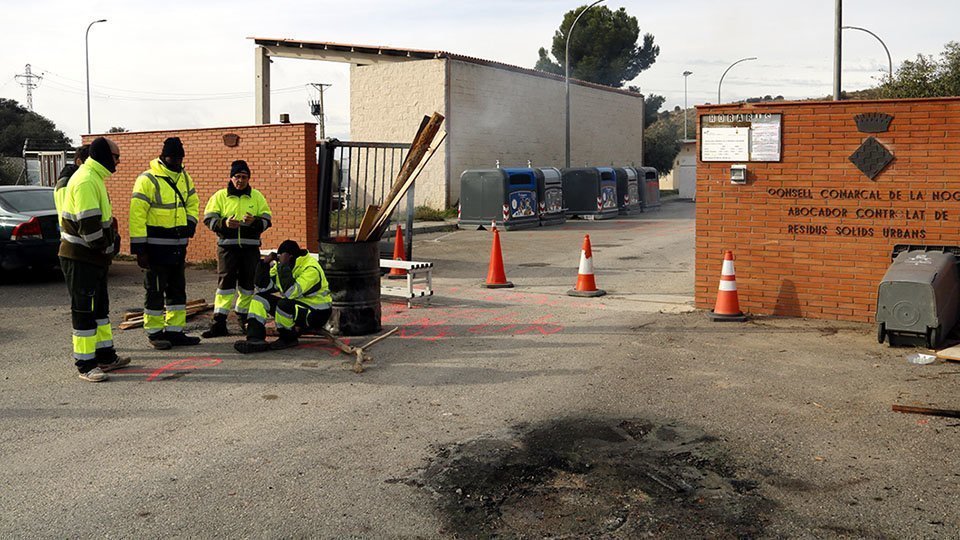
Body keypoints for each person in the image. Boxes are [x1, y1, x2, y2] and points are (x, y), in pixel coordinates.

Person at [56, 137, 127, 382]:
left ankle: (106, 357)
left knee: (100, 309)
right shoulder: (86, 180)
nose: (118, 162)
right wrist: (108, 247)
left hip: (93, 257)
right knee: (84, 310)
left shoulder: (94, 177)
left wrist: (108, 247)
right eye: (116, 157)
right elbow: (89, 227)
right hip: (81, 256)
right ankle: (86, 364)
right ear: (105, 156)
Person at [129, 137, 201, 350]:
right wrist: (139, 249)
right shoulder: (148, 179)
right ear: (163, 156)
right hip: (155, 247)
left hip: (178, 245)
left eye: (180, 158)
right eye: (173, 158)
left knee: (177, 290)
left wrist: (190, 223)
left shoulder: (184, 177)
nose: (177, 162)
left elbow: (193, 202)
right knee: (155, 290)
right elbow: (137, 215)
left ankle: (175, 331)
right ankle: (154, 332)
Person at [201, 160, 273, 337]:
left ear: (248, 178)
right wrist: (224, 223)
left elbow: (267, 220)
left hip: (250, 249)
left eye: (244, 177)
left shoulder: (257, 196)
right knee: (225, 285)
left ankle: (243, 318)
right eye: (237, 176)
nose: (240, 180)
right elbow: (209, 219)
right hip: (227, 249)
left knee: (248, 284)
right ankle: (219, 322)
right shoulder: (220, 196)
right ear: (231, 178)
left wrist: (255, 222)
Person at [234, 240, 332, 354]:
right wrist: (264, 264)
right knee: (259, 299)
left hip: (317, 313)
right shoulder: (282, 266)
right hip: (297, 306)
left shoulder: (310, 269)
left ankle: (288, 338)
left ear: (290, 257)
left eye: (281, 258)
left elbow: (291, 293)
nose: (279, 261)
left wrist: (284, 266)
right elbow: (263, 288)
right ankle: (255, 339)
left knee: (284, 305)